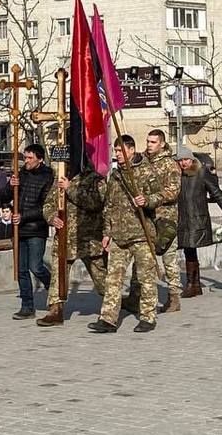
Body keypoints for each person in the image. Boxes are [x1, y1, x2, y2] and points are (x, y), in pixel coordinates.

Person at [88, 135, 161, 333]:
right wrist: (106, 232)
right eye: (116, 151)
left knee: (146, 277)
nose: (117, 155)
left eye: (121, 151)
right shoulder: (116, 175)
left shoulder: (146, 171)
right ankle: (108, 319)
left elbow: (160, 196)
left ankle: (148, 316)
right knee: (113, 278)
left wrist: (147, 200)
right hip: (120, 236)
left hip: (141, 234)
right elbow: (109, 205)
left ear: (131, 150)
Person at [120, 129, 180, 316]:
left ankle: (174, 296)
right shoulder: (142, 162)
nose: (149, 145)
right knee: (142, 257)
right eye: (147, 141)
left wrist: (153, 198)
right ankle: (134, 296)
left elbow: (173, 191)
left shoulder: (170, 164)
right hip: (145, 216)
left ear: (162, 144)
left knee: (169, 259)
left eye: (153, 142)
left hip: (164, 217)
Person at [38, 169, 108, 327]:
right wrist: (51, 217)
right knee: (58, 274)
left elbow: (96, 202)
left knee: (102, 278)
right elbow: (49, 203)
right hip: (65, 239)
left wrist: (70, 188)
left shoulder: (96, 179)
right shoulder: (60, 178)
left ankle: (113, 303)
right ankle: (55, 310)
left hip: (89, 239)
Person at [174, 146, 222, 299]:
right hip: (182, 218)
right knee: (188, 250)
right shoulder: (176, 175)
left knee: (190, 249)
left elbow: (216, 192)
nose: (183, 163)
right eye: (180, 160)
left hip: (197, 218)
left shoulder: (201, 172)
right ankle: (194, 284)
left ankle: (192, 285)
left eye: (186, 159)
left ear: (191, 159)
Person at [8, 143, 54, 320]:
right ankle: (27, 305)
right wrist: (11, 186)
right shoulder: (21, 174)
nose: (26, 161)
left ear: (39, 159)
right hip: (18, 229)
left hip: (35, 229)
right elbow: (5, 197)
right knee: (21, 269)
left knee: (36, 266)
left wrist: (24, 216)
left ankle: (54, 287)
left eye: (30, 158)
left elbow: (45, 206)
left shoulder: (47, 176)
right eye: (25, 157)